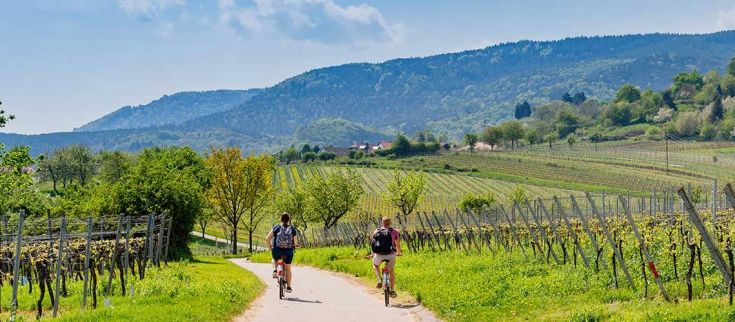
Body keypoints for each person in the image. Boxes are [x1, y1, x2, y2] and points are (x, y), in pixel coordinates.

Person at [266, 212, 299, 292]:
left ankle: (275, 270)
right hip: (288, 252)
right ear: (288, 220)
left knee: (274, 259)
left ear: (281, 219)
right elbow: (295, 242)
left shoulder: (276, 227)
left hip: (277, 250)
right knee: (288, 269)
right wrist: (296, 245)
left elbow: (267, 239)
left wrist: (271, 248)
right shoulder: (292, 229)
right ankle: (289, 286)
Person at [370, 216, 402, 298]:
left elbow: (373, 243)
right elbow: (397, 244)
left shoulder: (376, 231)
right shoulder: (394, 232)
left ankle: (379, 279)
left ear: (382, 223)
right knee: (391, 271)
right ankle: (392, 291)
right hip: (390, 255)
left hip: (378, 255)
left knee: (375, 265)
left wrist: (373, 253)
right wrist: (398, 252)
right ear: (390, 222)